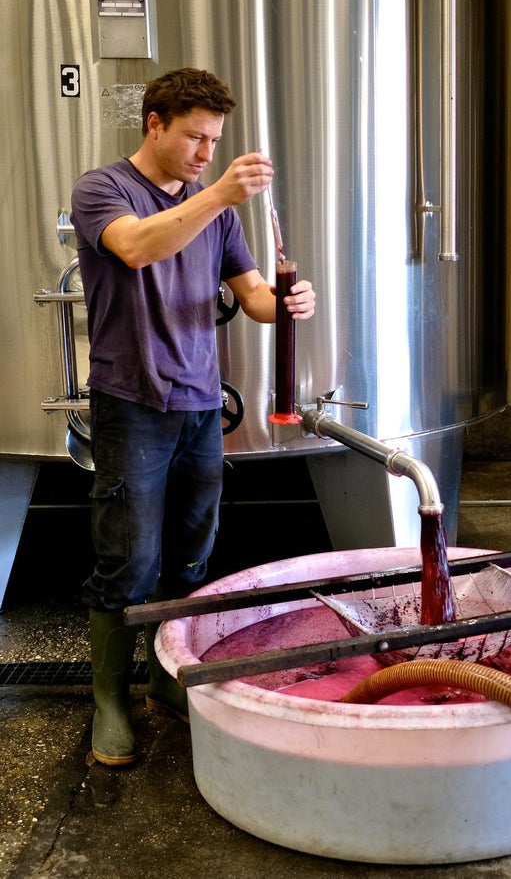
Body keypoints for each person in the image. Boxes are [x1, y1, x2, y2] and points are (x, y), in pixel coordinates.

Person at [70, 68, 316, 766]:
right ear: (155, 123)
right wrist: (216, 195)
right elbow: (139, 247)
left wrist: (291, 302)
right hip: (132, 407)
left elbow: (255, 296)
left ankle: (166, 680)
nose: (206, 152)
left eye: (215, 140)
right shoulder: (104, 189)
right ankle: (110, 701)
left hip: (200, 406)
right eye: (194, 137)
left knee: (190, 555)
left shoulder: (223, 215)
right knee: (130, 560)